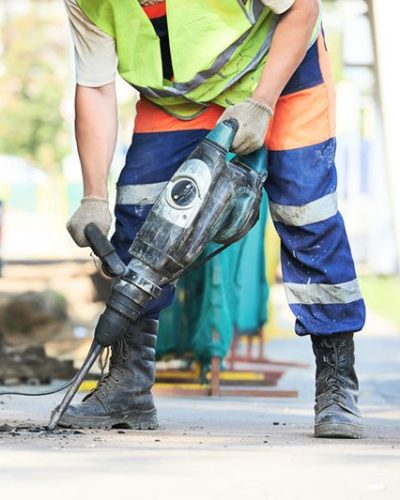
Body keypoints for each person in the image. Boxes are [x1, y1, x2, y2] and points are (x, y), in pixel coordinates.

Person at [62, 0, 366, 438]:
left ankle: (337, 386)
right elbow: (94, 86)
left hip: (279, 72)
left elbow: (301, 7)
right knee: (139, 221)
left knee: (306, 214)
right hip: (178, 100)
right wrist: (93, 195)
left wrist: (262, 103)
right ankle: (128, 385)